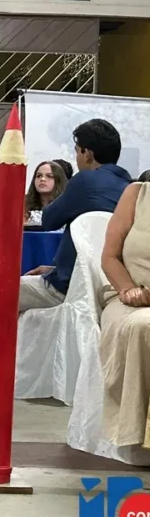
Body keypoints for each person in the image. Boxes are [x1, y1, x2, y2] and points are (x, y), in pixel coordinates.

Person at [0, 119, 132, 323]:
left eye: (77, 151)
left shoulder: (84, 180)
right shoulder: (131, 187)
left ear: (87, 154)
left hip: (66, 288)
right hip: (108, 285)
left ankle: (16, 344)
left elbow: (49, 220)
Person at [99, 181, 150, 449]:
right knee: (144, 326)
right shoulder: (137, 193)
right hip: (130, 298)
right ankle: (136, 435)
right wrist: (128, 288)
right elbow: (110, 257)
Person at [24, 161, 67, 225]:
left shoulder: (66, 206)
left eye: (49, 176)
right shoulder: (23, 204)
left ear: (58, 181)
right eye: (39, 176)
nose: (42, 179)